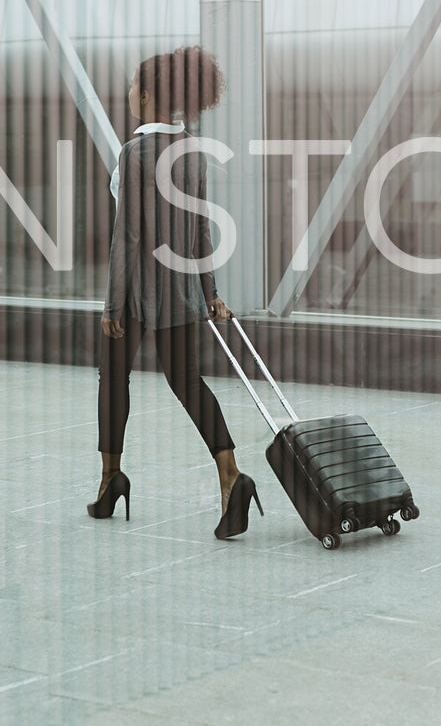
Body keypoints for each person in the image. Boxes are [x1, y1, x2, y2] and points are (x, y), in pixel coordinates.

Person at [88, 46, 262, 540]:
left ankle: (110, 481)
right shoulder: (191, 150)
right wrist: (210, 292)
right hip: (183, 290)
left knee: (113, 379)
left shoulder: (136, 152)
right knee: (187, 382)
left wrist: (112, 304)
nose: (126, 95)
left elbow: (129, 236)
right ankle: (231, 476)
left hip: (139, 294)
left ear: (146, 96)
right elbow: (199, 229)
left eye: (130, 88)